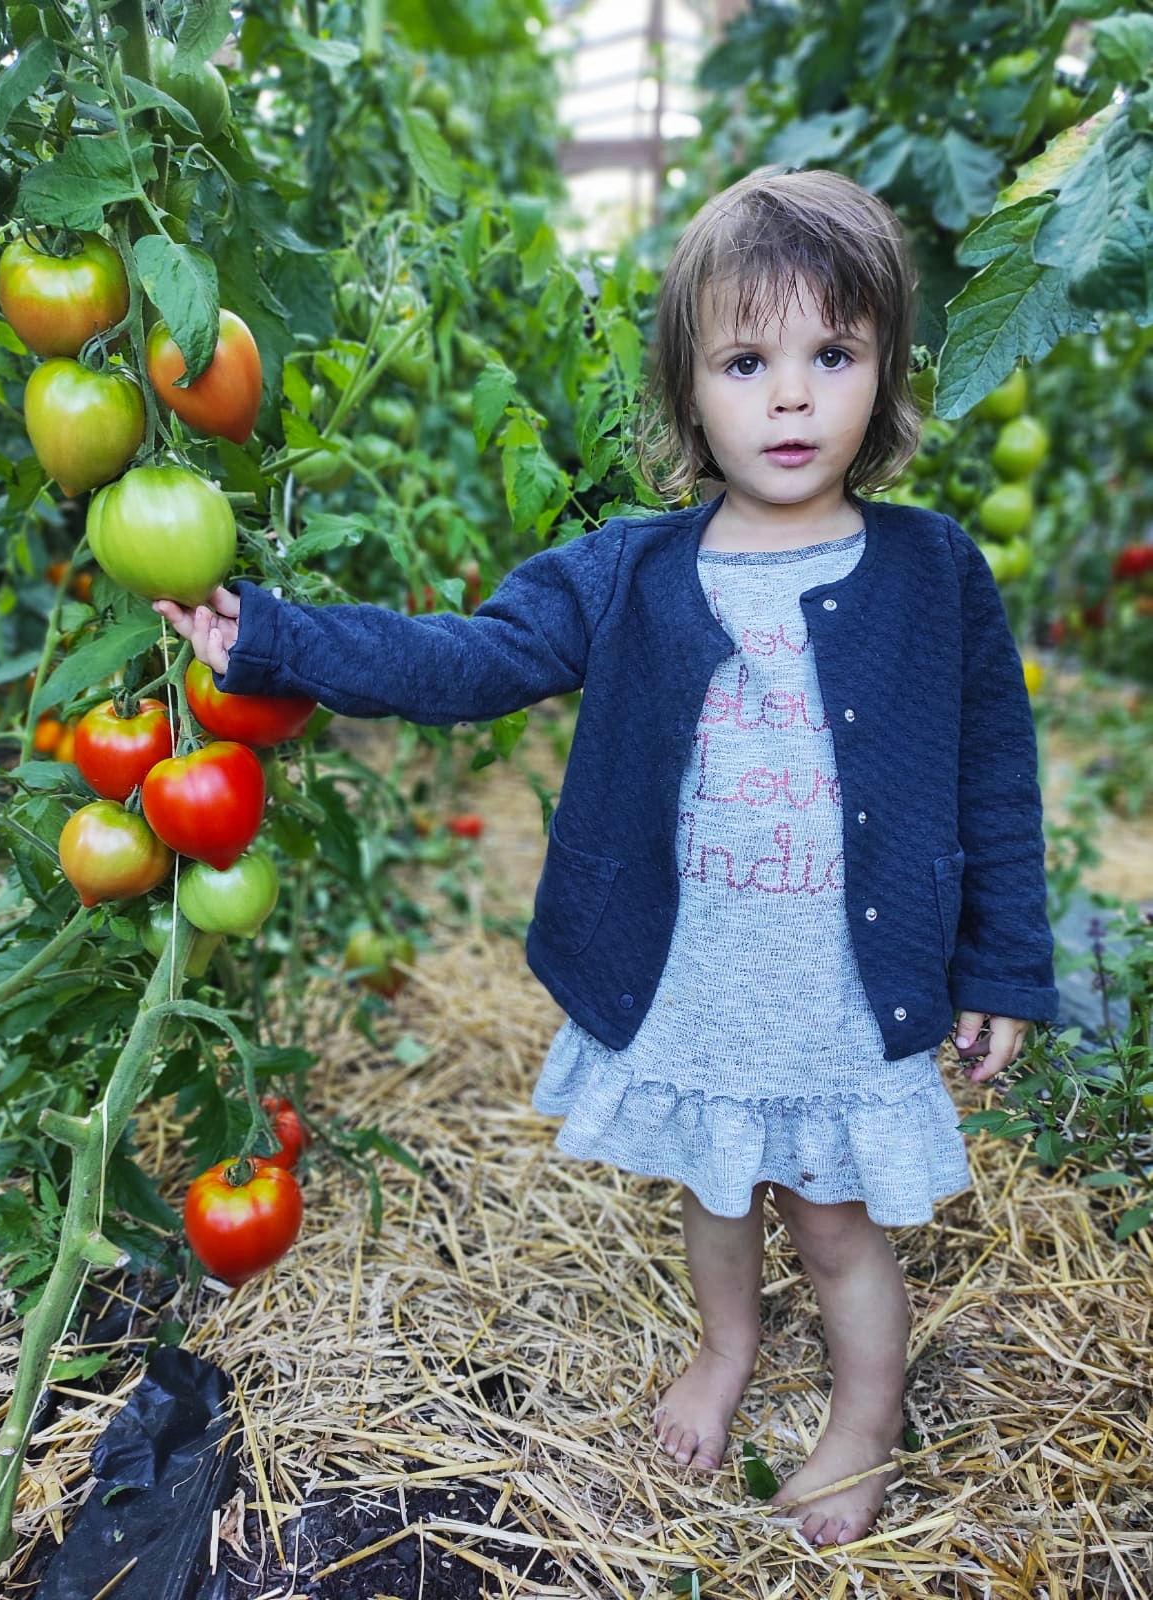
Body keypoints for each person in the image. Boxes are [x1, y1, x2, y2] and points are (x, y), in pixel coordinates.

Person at [154, 166, 1058, 1549]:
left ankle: (866, 1420)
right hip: (698, 966)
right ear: (688, 392)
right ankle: (725, 1347)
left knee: (831, 1220)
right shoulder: (628, 571)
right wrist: (275, 638)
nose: (792, 399)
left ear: (884, 373)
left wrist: (1002, 966)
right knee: (714, 1186)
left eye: (832, 355)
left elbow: (994, 774)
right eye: (747, 363)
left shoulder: (933, 573)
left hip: (841, 979)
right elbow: (469, 659)